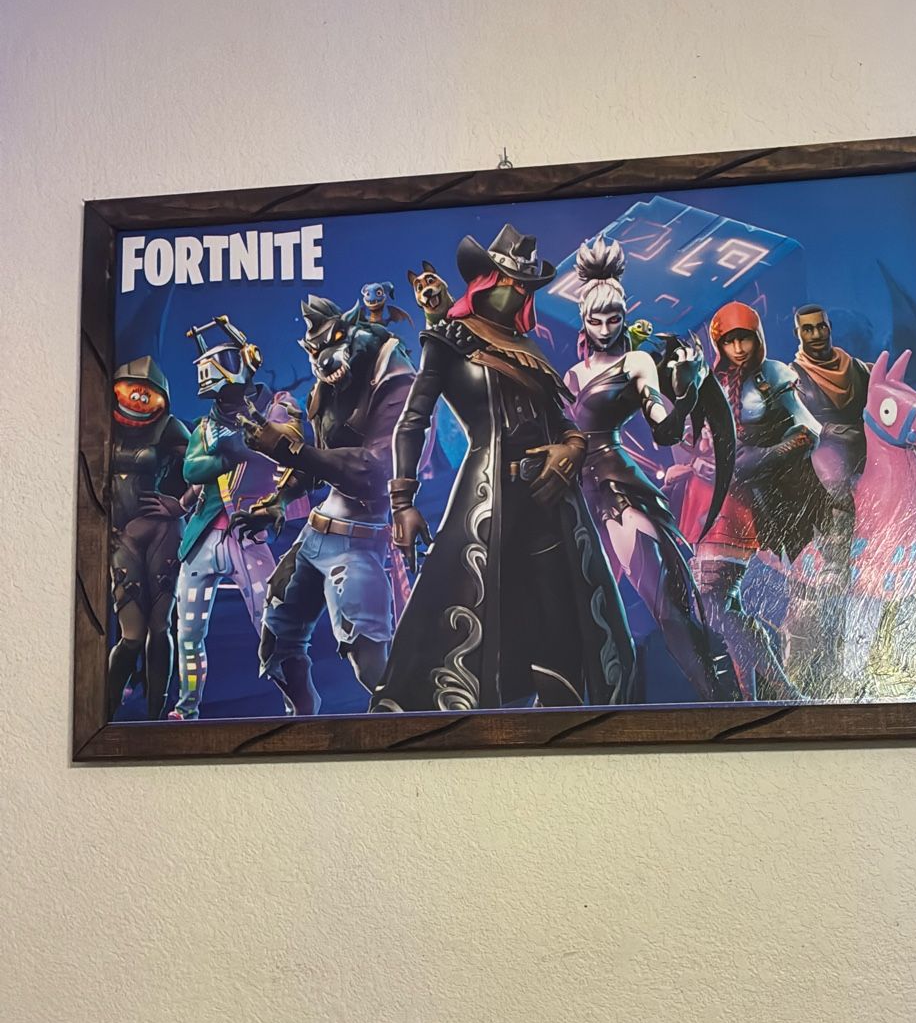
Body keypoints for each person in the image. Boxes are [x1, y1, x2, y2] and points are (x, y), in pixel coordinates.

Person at [372, 224, 635, 713]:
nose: (518, 291)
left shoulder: (528, 348)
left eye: (525, 286)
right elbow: (413, 420)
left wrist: (572, 450)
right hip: (486, 504)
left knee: (564, 625)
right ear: (486, 280)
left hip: (548, 501)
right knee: (462, 628)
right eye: (511, 281)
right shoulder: (448, 340)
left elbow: (562, 422)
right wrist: (402, 501)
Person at [563, 234, 736, 701]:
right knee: (581, 606)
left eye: (613, 319)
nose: (604, 329)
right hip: (576, 493)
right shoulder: (573, 376)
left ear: (624, 316)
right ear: (584, 320)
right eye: (595, 320)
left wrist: (687, 393)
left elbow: (663, 431)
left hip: (615, 491)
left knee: (665, 605)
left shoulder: (637, 361)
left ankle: (717, 695)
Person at [234, 296, 414, 714]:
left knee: (367, 659)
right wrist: (280, 501)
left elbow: (374, 471)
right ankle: (302, 725)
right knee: (276, 643)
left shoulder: (395, 380)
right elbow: (320, 462)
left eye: (328, 343)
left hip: (360, 540)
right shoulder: (328, 387)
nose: (320, 359)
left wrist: (289, 450)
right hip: (315, 535)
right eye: (313, 350)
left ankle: (407, 726)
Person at [170, 317, 304, 721]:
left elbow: (291, 449)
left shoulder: (278, 408)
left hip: (250, 533)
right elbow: (192, 469)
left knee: (271, 624)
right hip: (205, 536)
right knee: (188, 632)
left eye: (225, 361)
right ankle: (186, 708)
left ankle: (296, 705)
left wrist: (250, 445)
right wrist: (230, 453)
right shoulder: (207, 426)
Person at [692, 300, 824, 702]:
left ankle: (781, 690)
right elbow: (689, 438)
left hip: (747, 497)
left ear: (757, 338)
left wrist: (770, 454)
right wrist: (697, 459)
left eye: (744, 339)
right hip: (707, 495)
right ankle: (752, 699)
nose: (737, 349)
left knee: (715, 600)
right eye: (729, 341)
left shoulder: (772, 376)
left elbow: (809, 427)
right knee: (717, 604)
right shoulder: (706, 380)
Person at [108, 356, 190, 719]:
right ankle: (104, 713)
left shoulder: (170, 427)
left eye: (147, 394)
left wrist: (182, 504)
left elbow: (205, 469)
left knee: (159, 626)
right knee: (131, 634)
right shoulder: (98, 421)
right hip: (120, 535)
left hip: (161, 530)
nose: (139, 400)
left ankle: (155, 717)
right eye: (132, 391)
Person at [791, 302, 870, 573]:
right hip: (825, 449)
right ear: (798, 333)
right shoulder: (792, 377)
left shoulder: (857, 368)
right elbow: (794, 419)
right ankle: (835, 566)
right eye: (808, 329)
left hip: (867, 443)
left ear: (829, 327)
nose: (816, 335)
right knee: (835, 491)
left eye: (820, 327)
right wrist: (826, 432)